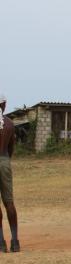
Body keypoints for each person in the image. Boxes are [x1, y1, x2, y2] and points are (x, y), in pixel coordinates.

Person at [0, 94, 20, 252]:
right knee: (9, 202)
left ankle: (1, 242)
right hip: (5, 161)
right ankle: (15, 241)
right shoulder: (9, 124)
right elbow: (11, 149)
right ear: (4, 104)